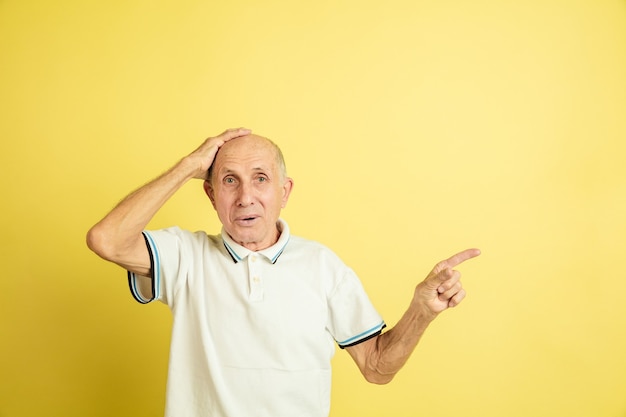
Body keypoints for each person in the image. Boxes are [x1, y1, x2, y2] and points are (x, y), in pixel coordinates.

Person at [87, 128, 480, 417]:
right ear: (210, 194)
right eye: (228, 181)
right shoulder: (185, 257)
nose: (245, 197)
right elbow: (107, 239)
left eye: (261, 178)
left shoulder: (324, 266)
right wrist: (189, 165)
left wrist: (421, 311)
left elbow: (377, 367)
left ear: (284, 191)